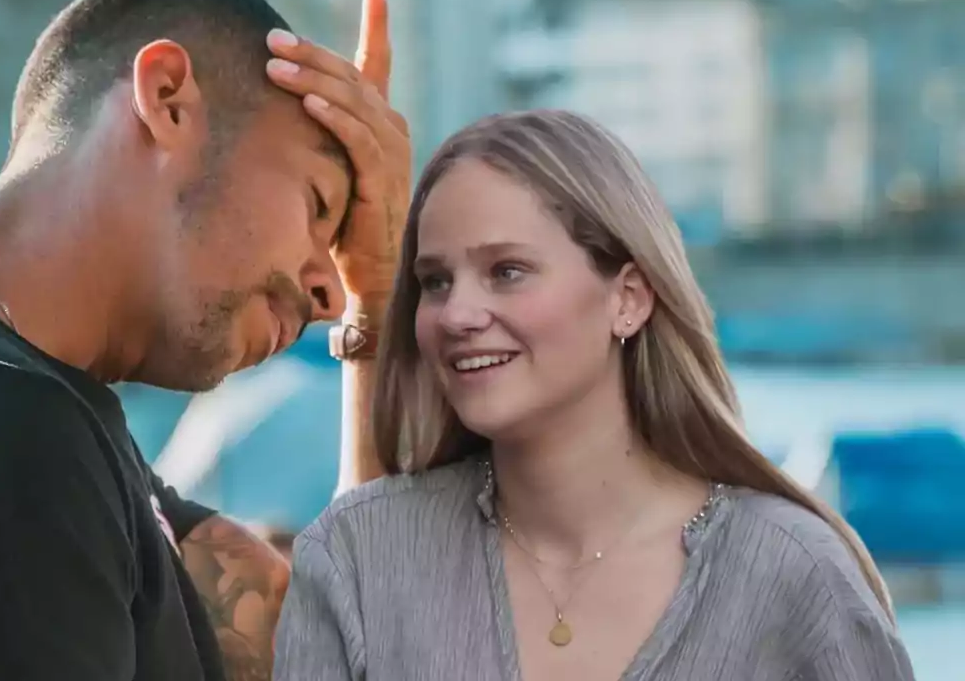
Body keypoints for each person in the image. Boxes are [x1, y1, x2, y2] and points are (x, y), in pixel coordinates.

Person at [0, 0, 410, 681]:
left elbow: (334, 651)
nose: (329, 289)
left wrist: (379, 294)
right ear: (167, 98)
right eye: (319, 205)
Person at [274, 110, 916, 680]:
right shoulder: (358, 555)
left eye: (507, 271)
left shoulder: (793, 575)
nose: (456, 314)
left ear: (628, 299)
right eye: (435, 281)